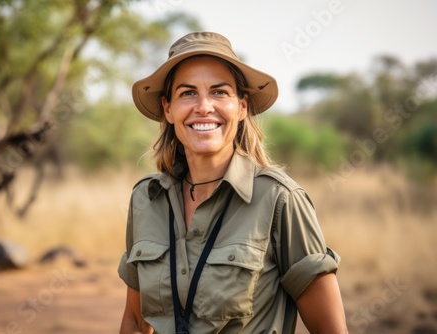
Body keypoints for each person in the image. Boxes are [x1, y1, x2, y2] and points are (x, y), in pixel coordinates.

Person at [118, 31, 348, 333]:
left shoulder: (280, 199)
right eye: (187, 93)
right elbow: (136, 322)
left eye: (219, 92)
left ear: (241, 107)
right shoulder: (146, 199)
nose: (203, 106)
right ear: (168, 109)